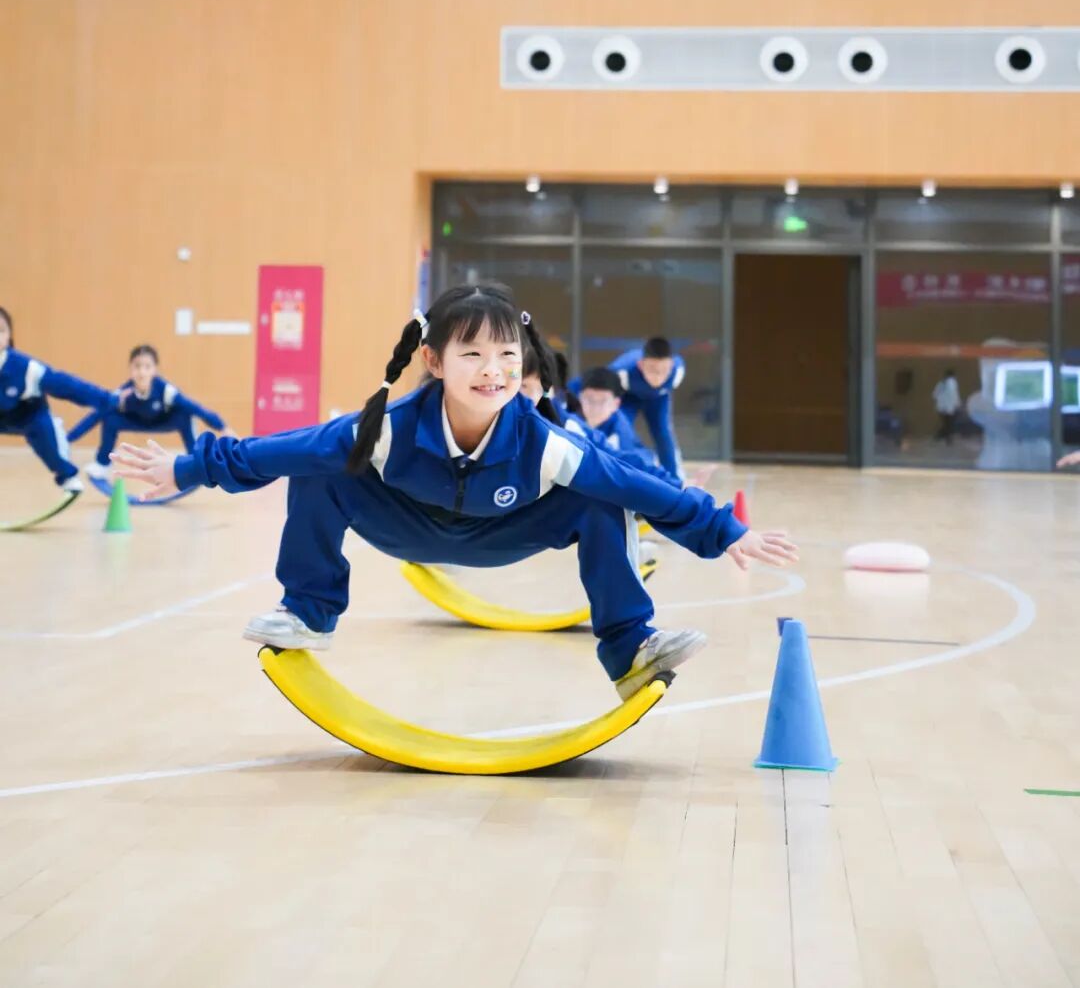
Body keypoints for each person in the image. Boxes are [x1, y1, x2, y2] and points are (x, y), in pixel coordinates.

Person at [114, 283, 797, 701]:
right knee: (320, 465)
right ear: (434, 361)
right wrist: (188, 469)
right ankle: (309, 612)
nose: (492, 371)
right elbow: (283, 447)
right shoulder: (390, 426)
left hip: (507, 534)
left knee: (602, 496)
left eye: (507, 356)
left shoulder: (543, 441)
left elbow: (637, 483)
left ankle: (629, 650)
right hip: (405, 527)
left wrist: (724, 529)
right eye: (472, 354)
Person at [68, 343, 226, 486]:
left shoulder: (166, 390)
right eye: (137, 366)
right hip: (135, 422)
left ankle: (194, 463)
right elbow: (96, 415)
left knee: (186, 414)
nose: (142, 372)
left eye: (147, 367)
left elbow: (196, 408)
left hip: (163, 422)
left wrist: (221, 426)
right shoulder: (123, 393)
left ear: (155, 370)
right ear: (130, 369)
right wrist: (69, 439)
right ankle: (102, 465)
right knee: (109, 417)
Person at [0, 304, 114, 495]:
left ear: (9, 337)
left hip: (28, 415)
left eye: (1, 330)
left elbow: (67, 385)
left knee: (46, 439)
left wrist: (106, 398)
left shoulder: (26, 368)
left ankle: (67, 476)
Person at [606, 336, 685, 478]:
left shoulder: (678, 371)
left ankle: (673, 479)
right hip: (627, 397)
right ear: (641, 365)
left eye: (664, 370)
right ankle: (625, 474)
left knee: (663, 433)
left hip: (658, 398)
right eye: (653, 370)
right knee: (623, 431)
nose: (658, 377)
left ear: (671, 365)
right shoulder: (621, 371)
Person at [932, 368, 962, 445]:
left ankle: (941, 437)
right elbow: (954, 394)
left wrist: (941, 400)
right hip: (950, 407)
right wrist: (958, 404)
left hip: (941, 408)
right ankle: (945, 438)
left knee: (946, 423)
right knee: (950, 424)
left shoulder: (940, 383)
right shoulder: (953, 382)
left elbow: (934, 395)